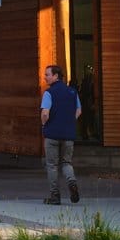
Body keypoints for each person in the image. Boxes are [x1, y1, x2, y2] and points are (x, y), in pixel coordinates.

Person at [41, 64, 82, 205]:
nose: (45, 77)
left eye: (47, 75)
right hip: (68, 134)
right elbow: (78, 111)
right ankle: (72, 183)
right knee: (67, 163)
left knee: (52, 165)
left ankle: (55, 196)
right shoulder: (72, 92)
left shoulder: (49, 93)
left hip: (52, 134)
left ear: (55, 76)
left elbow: (45, 113)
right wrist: (69, 122)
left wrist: (44, 124)